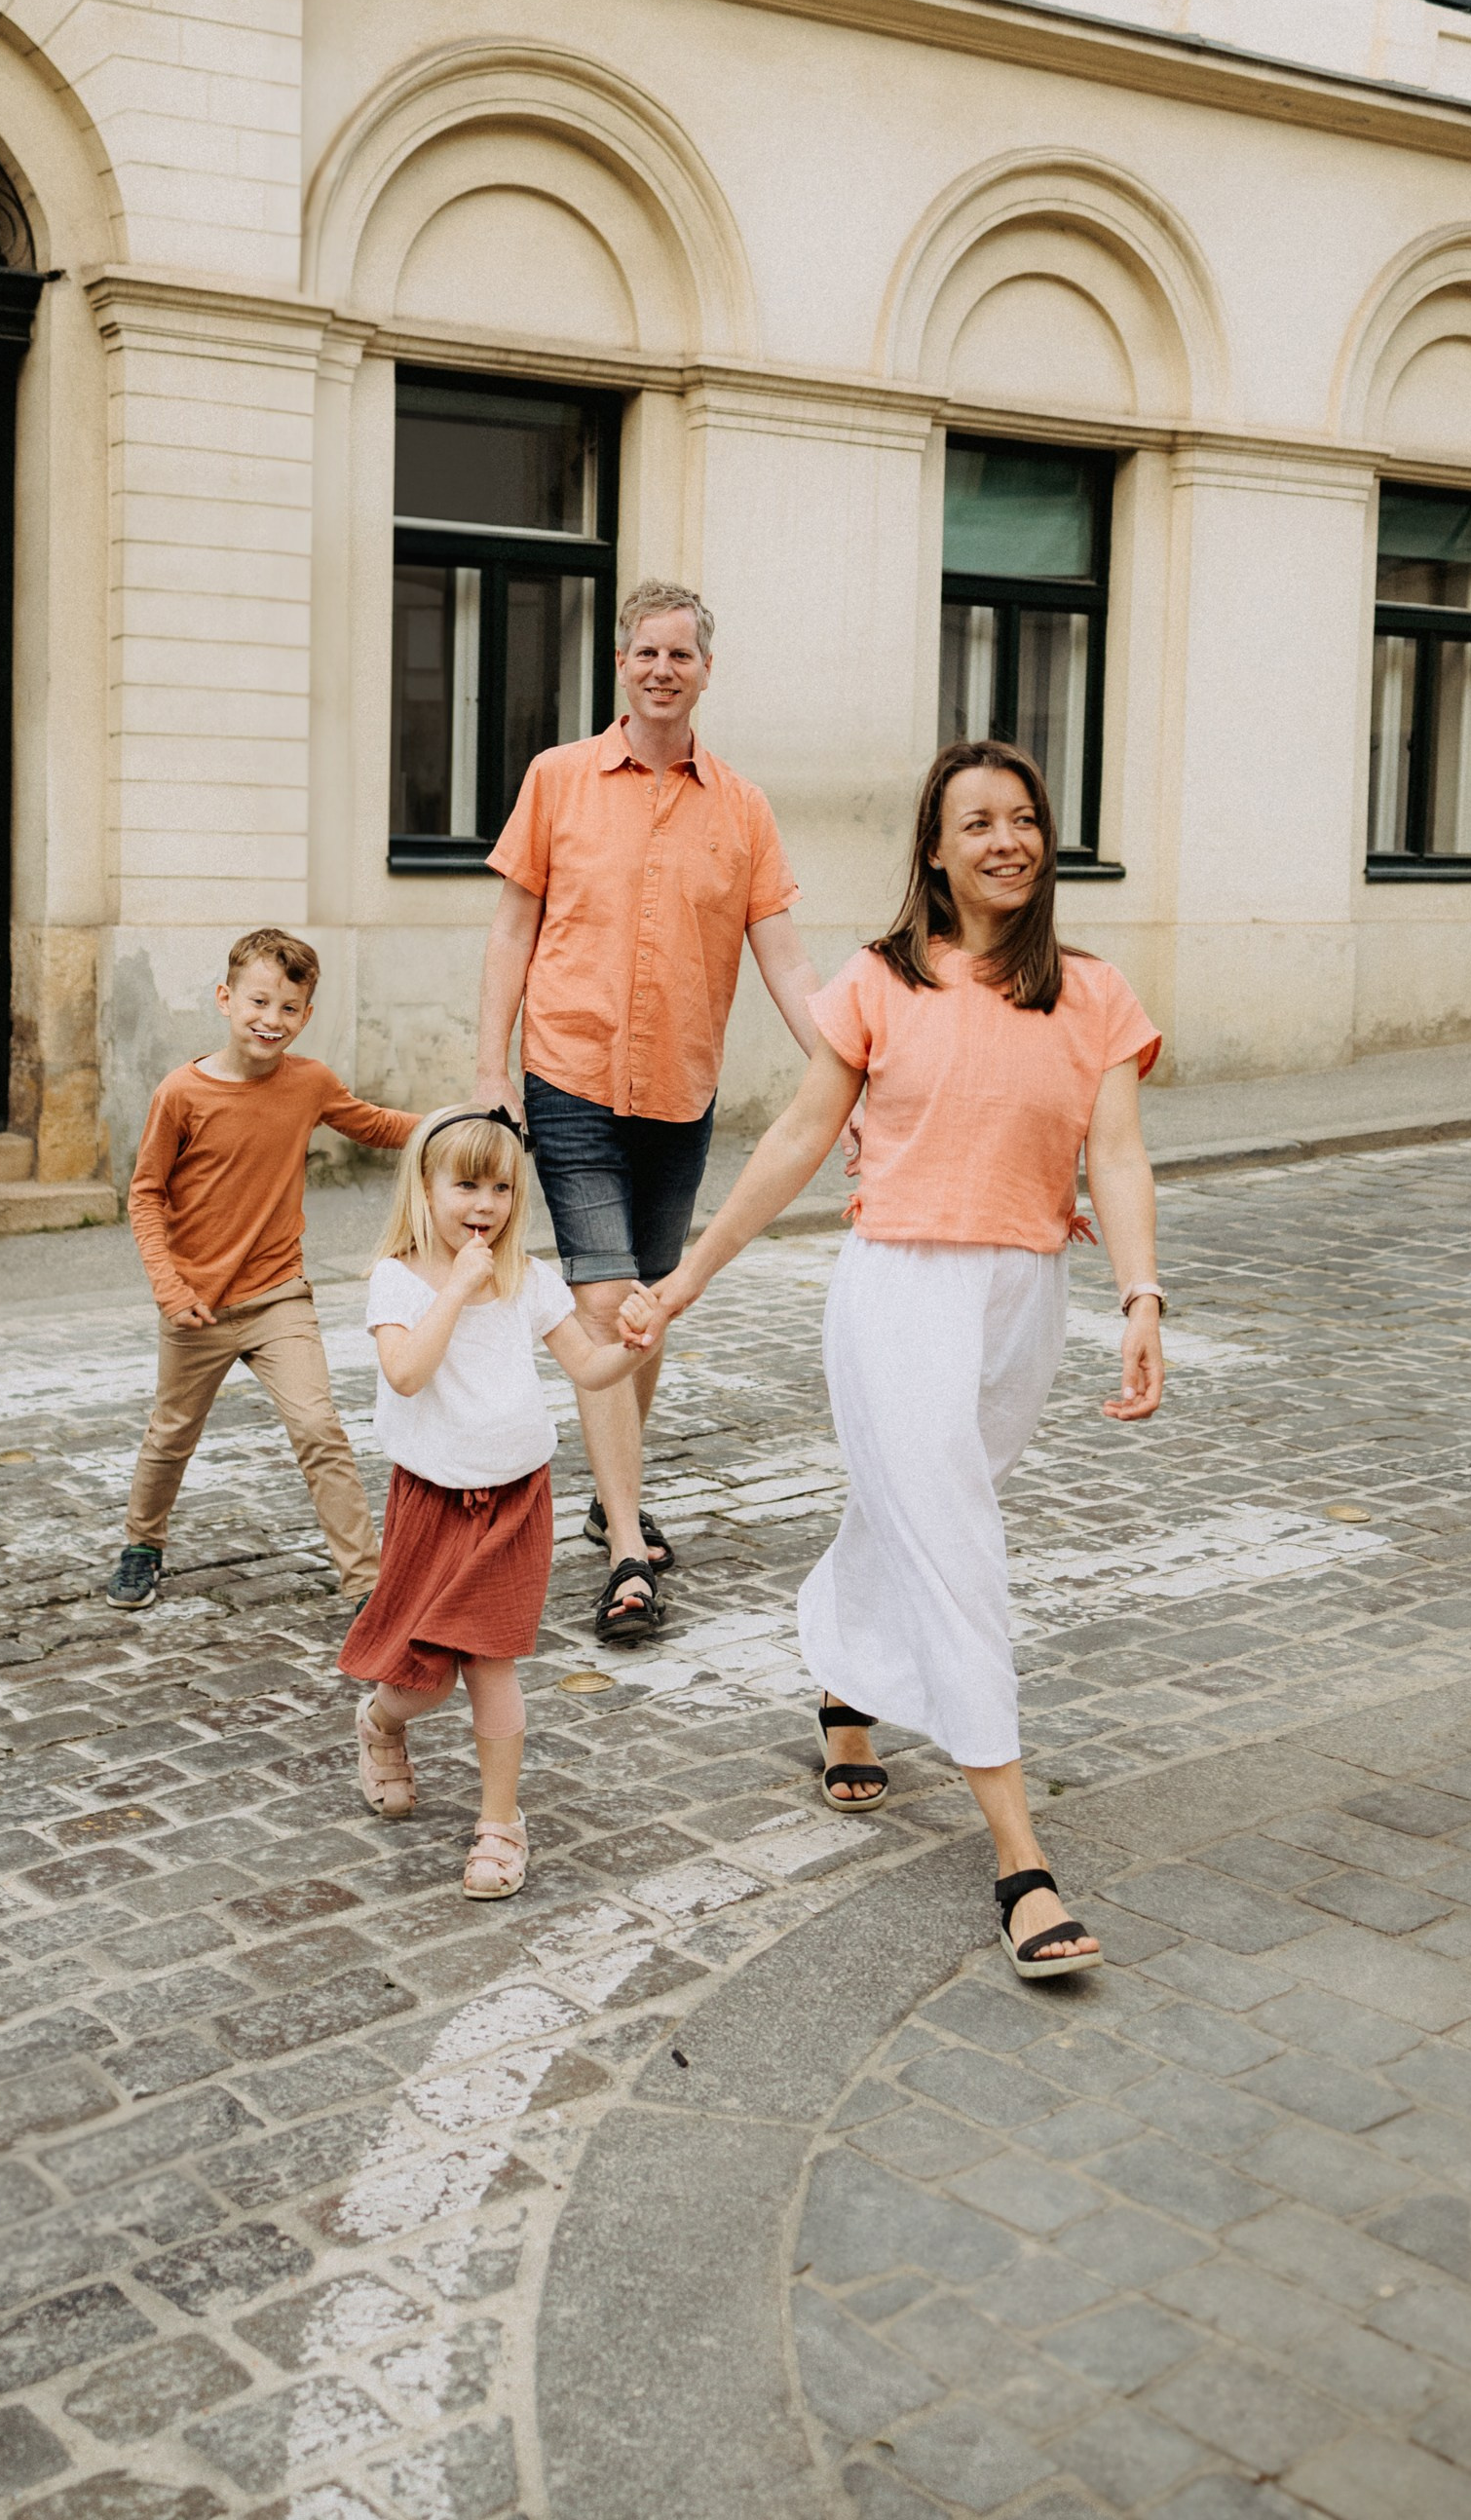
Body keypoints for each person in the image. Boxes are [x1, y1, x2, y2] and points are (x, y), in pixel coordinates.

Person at [624, 739, 1165, 1979]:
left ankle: (840, 1676)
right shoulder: (876, 981)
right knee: (956, 1543)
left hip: (1023, 1291)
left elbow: (1117, 1157)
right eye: (975, 823)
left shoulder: (1090, 992)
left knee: (917, 1508)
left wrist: (1138, 1293)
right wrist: (685, 1279)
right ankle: (1019, 1864)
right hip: (896, 1290)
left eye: (1022, 820)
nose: (1003, 842)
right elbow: (798, 1140)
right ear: (933, 848)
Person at [475, 580, 824, 1644]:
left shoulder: (744, 807)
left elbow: (784, 955)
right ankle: (627, 1548)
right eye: (644, 654)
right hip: (569, 1074)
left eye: (680, 655)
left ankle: (606, 1489)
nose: (660, 670)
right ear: (618, 664)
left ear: (704, 671)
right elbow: (511, 929)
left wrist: (843, 1069)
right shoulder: (557, 781)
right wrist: (490, 1068)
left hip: (679, 1089)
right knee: (603, 1300)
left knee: (649, 1307)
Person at [339, 1104, 641, 1897]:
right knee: (426, 1682)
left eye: (501, 1187)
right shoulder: (398, 1281)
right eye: (464, 1184)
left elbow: (588, 1367)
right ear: (426, 1188)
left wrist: (633, 1344)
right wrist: (458, 1288)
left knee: (492, 1665)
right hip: (432, 1501)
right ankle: (380, 1723)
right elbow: (406, 1372)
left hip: (514, 1500)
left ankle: (500, 1824)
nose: (484, 1205)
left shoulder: (529, 1279)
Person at [110, 928, 419, 1614]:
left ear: (305, 1017)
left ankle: (367, 1582)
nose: (270, 1020)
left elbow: (373, 1125)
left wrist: (459, 1123)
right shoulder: (180, 1094)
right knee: (170, 1436)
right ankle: (142, 1544)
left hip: (280, 1295)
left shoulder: (309, 1083)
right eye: (258, 1002)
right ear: (225, 999)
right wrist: (169, 1287)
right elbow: (146, 1193)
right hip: (196, 1303)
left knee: (319, 1429)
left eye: (288, 1009)